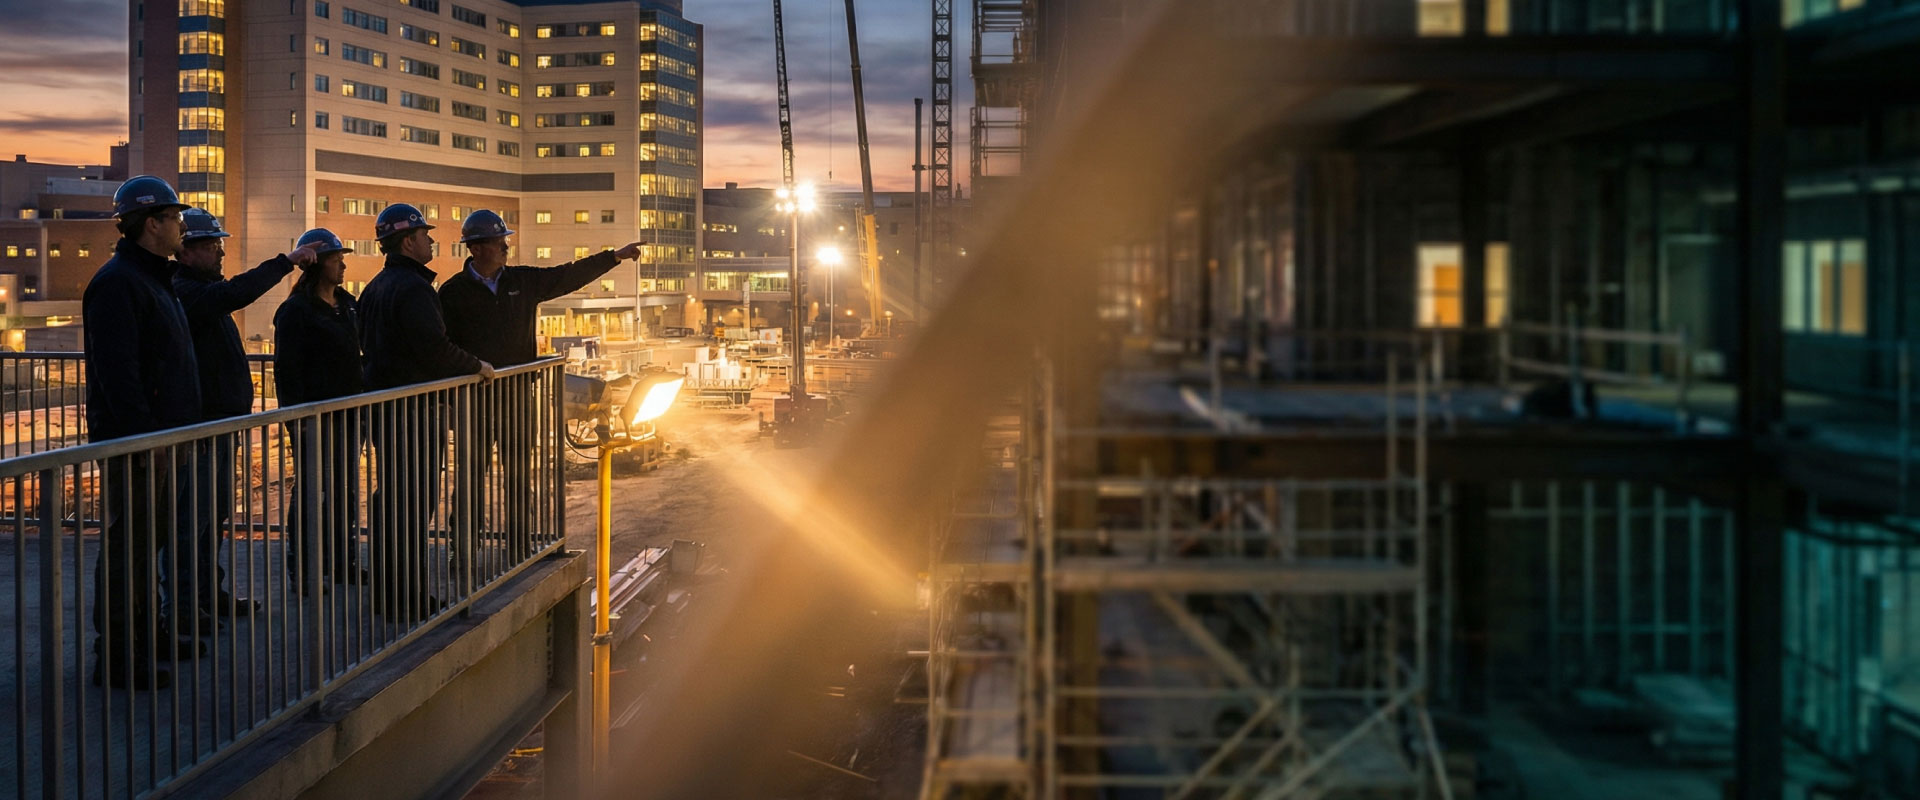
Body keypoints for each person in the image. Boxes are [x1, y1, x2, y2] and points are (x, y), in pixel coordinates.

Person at [437, 209, 642, 560]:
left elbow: (568, 276)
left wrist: (614, 257)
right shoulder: (452, 293)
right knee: (471, 477)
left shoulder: (522, 281)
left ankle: (520, 545)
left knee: (519, 475)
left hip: (517, 396)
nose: (506, 247)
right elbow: (443, 344)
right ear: (478, 248)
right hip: (475, 399)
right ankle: (465, 548)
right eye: (500, 242)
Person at [171, 209, 317, 624]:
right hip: (201, 426)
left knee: (210, 518)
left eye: (220, 244)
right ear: (185, 252)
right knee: (191, 524)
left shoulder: (204, 293)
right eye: (211, 246)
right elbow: (237, 293)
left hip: (219, 424)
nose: (220, 252)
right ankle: (184, 608)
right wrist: (285, 262)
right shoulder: (190, 293)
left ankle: (206, 596)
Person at [82, 175, 199, 689]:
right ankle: (117, 656)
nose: (182, 226)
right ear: (151, 224)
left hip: (160, 440)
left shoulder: (155, 280)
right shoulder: (118, 283)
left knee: (147, 544)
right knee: (127, 549)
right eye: (175, 218)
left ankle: (148, 635)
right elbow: (118, 373)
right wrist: (143, 438)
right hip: (139, 444)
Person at [357, 203, 493, 622]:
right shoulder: (414, 289)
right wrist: (476, 366)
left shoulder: (377, 286)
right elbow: (433, 347)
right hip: (413, 410)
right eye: (425, 234)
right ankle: (407, 597)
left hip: (387, 409)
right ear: (408, 240)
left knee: (392, 502)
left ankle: (387, 593)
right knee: (412, 507)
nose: (431, 240)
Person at [274, 228, 367, 592]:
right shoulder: (296, 311)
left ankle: (343, 563)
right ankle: (306, 570)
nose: (342, 265)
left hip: (347, 412)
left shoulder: (347, 304)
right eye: (335, 259)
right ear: (316, 265)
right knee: (312, 491)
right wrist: (297, 419)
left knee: (344, 491)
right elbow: (288, 370)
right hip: (313, 416)